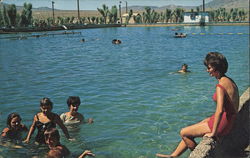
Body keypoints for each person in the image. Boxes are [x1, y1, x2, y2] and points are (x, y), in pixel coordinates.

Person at [156, 52, 239, 157]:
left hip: (224, 122)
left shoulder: (220, 86)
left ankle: (200, 155)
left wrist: (213, 133)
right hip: (230, 119)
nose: (207, 70)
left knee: (184, 133)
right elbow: (233, 106)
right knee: (202, 122)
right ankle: (173, 155)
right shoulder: (229, 80)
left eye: (209, 68)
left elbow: (220, 110)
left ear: (216, 68)